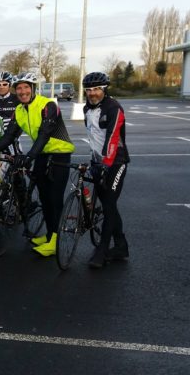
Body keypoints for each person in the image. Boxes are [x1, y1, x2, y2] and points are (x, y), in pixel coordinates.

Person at [0, 72, 75, 256]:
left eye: (26, 87)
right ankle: (50, 234)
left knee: (54, 198)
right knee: (44, 197)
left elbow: (44, 134)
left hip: (59, 154)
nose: (22, 91)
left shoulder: (47, 105)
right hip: (43, 154)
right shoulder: (19, 110)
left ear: (33, 89)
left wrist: (29, 156)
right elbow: (9, 135)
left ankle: (55, 241)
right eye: (19, 88)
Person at [82, 72, 130, 268]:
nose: (92, 93)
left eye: (97, 89)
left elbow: (111, 138)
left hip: (116, 162)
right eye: (89, 90)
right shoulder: (87, 108)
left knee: (109, 203)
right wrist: (96, 161)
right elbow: (93, 136)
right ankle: (121, 246)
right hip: (98, 162)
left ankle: (102, 249)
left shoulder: (114, 108)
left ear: (104, 89)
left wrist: (106, 163)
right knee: (108, 204)